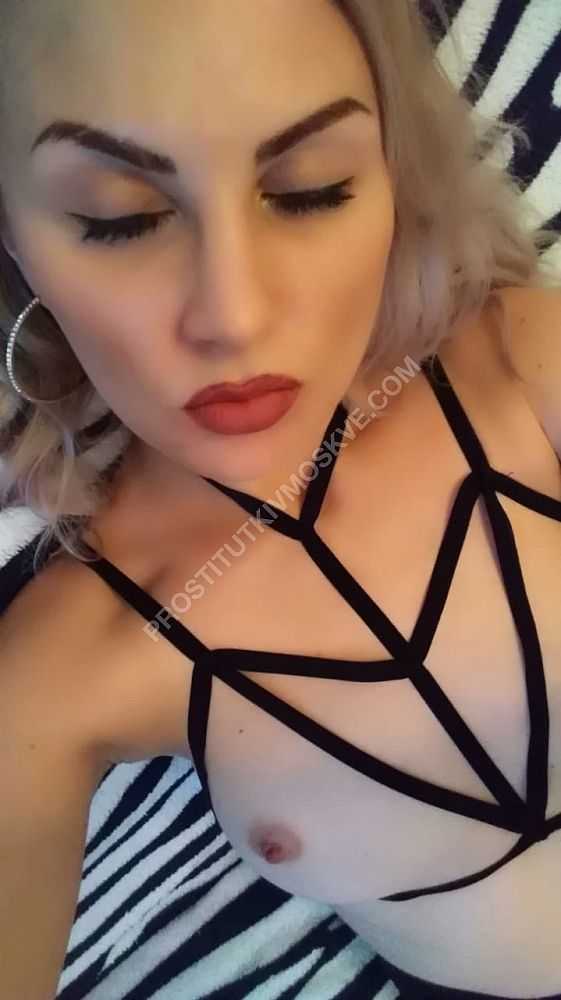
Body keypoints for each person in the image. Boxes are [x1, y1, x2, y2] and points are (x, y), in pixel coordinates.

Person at [0, 1, 560, 997]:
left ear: (391, 178)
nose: (237, 314)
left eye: (311, 190)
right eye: (118, 217)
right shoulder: (68, 666)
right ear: (12, 239)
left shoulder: (523, 367)